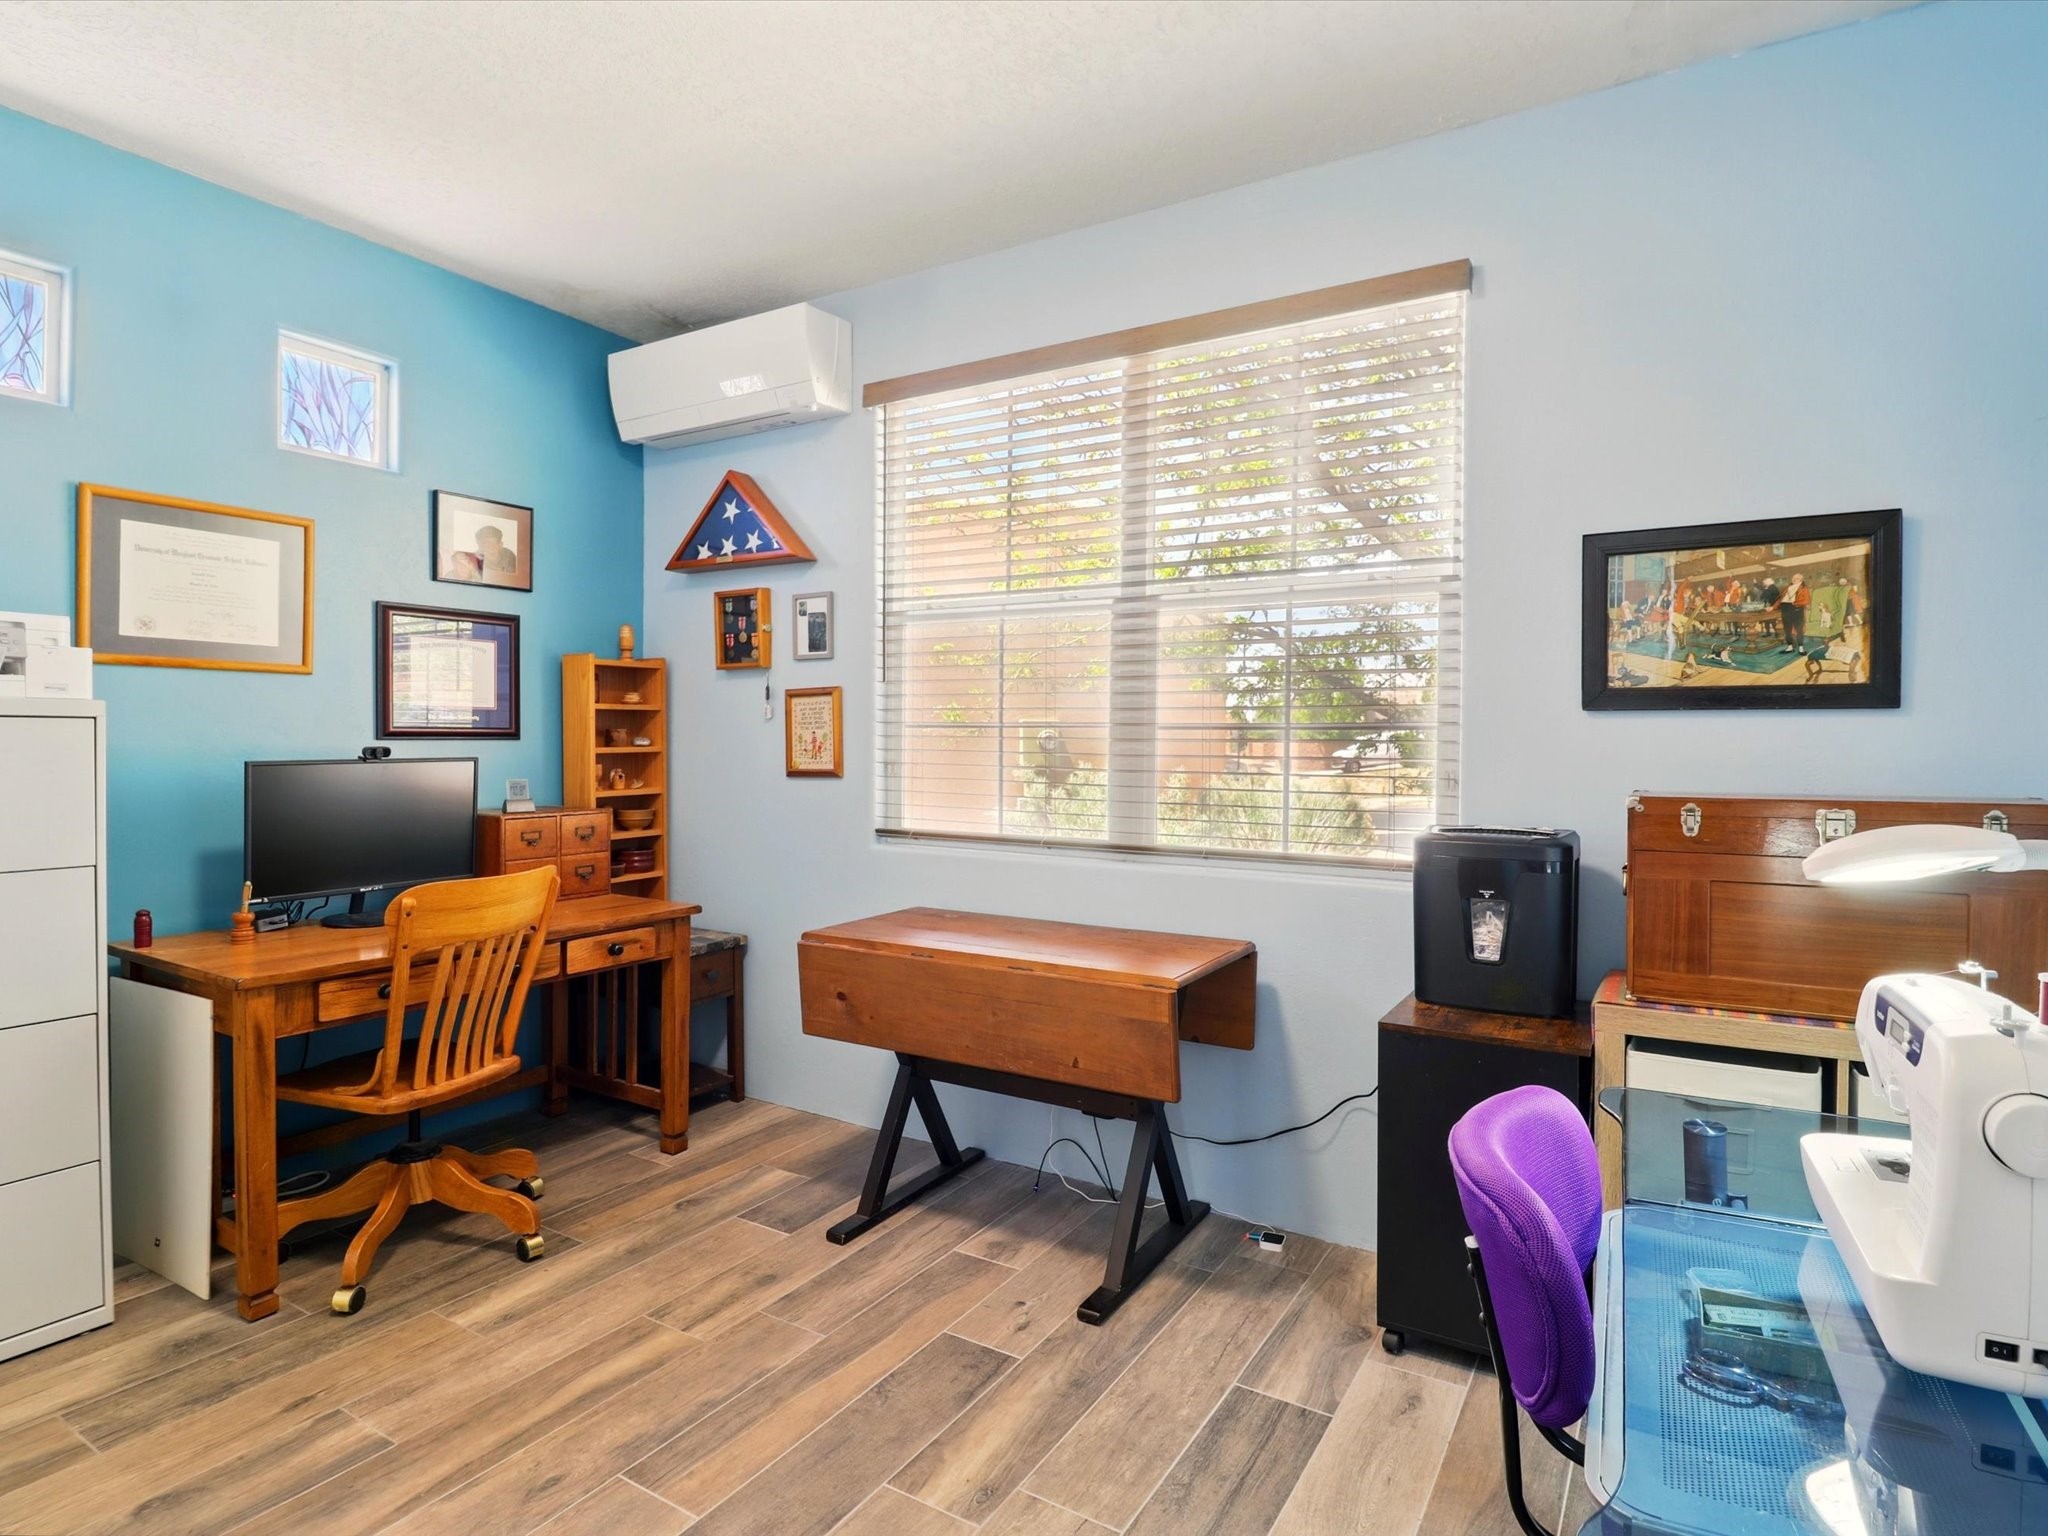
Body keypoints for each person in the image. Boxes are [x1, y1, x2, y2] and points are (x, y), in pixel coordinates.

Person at [1778, 571, 1810, 651]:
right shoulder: (1787, 587)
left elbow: (1807, 601)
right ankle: (1790, 646)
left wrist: (1795, 603)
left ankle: (1801, 647)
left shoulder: (1803, 589)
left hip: (1796, 609)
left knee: (1799, 629)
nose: (1794, 579)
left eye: (1797, 578)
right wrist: (1773, 607)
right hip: (1785, 608)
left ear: (1801, 580)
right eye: (1793, 578)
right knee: (1787, 629)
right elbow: (1780, 599)